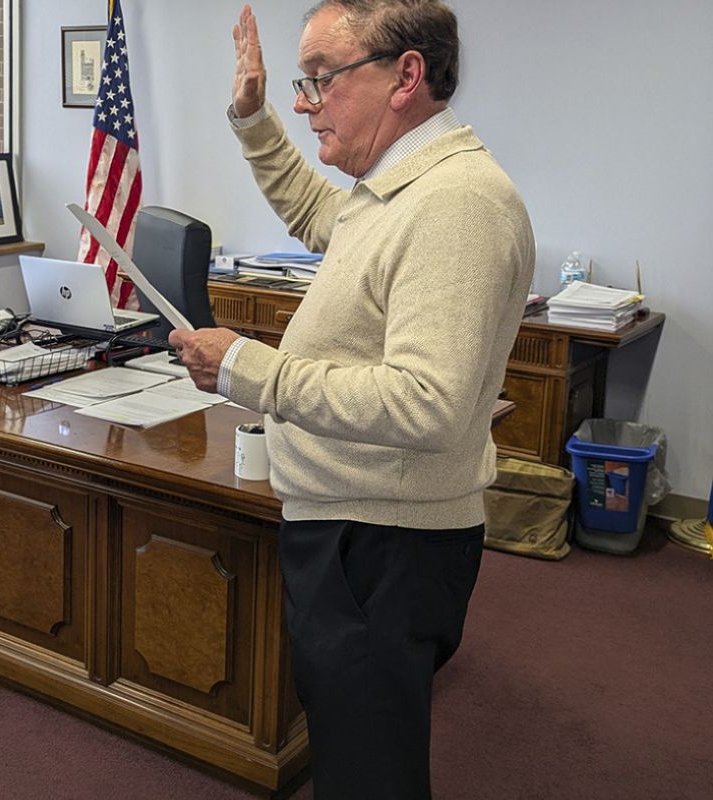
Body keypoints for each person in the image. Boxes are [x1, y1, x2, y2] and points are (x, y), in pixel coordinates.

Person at [169, 2, 534, 797]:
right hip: (354, 525)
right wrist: (251, 116)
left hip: (383, 544)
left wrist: (248, 370)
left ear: (406, 76)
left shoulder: (456, 205)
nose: (306, 103)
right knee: (355, 750)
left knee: (370, 773)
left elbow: (425, 405)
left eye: (322, 79)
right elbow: (312, 208)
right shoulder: (395, 188)